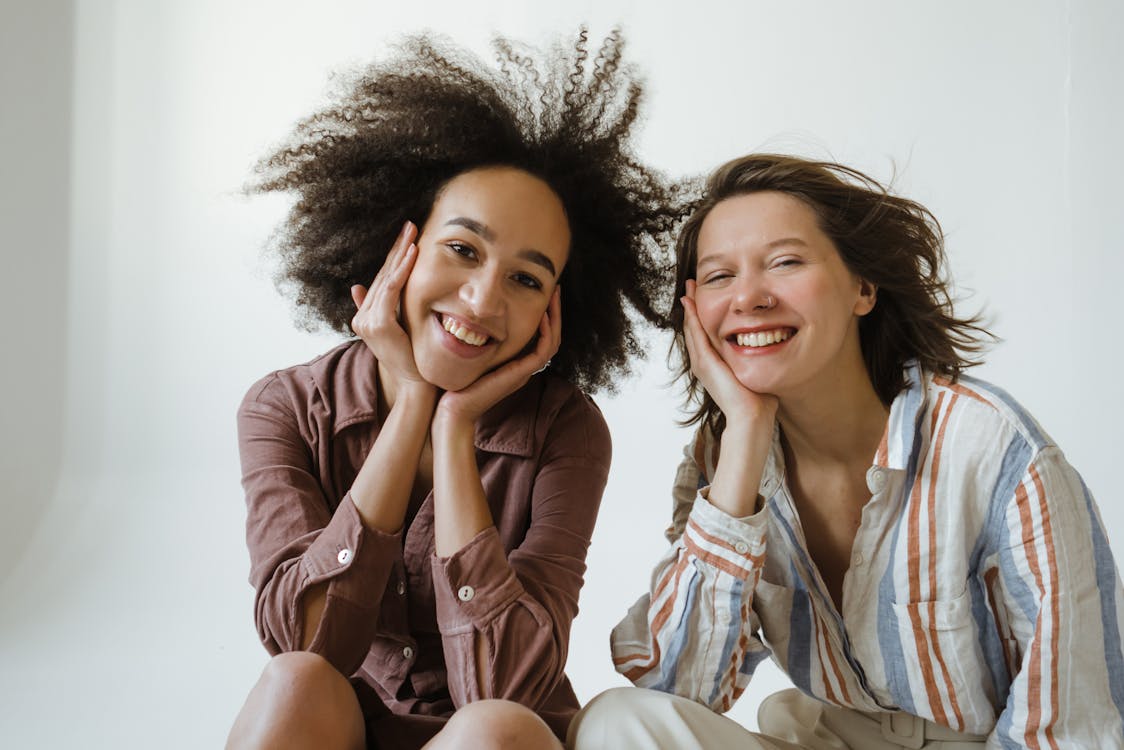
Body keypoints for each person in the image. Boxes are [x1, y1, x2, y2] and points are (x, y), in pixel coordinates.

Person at [569, 154, 1124, 749]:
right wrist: (746, 440)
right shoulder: (722, 456)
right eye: (719, 276)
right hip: (823, 738)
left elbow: (1071, 723)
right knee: (615, 723)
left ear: (862, 287)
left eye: (784, 262)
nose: (749, 297)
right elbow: (678, 686)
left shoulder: (992, 449)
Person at [225, 30, 683, 750]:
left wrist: (454, 426)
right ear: (394, 247)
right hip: (338, 725)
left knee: (491, 727)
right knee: (296, 681)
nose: (480, 299)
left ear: (556, 309)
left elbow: (503, 688)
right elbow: (303, 639)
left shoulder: (567, 431)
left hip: (496, 740)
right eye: (463, 249)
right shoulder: (286, 406)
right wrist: (411, 404)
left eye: (525, 279)